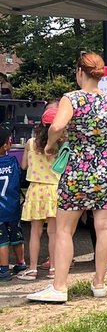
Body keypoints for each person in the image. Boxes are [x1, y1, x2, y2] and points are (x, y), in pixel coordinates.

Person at [28, 52, 107, 304]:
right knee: (104, 227)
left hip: (77, 169)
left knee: (63, 229)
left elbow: (57, 126)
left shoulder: (71, 98)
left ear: (80, 72)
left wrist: (50, 144)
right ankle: (99, 283)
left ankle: (59, 287)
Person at [16, 105, 60, 281]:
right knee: (54, 233)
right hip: (55, 190)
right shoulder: (62, 145)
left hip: (36, 190)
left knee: (35, 232)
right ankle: (54, 268)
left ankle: (33, 269)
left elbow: (23, 166)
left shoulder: (30, 143)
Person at [0, 129, 25, 280]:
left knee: (2, 240)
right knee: (16, 236)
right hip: (13, 206)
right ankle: (20, 263)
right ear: (5, 146)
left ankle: (3, 269)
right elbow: (19, 178)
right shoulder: (12, 161)